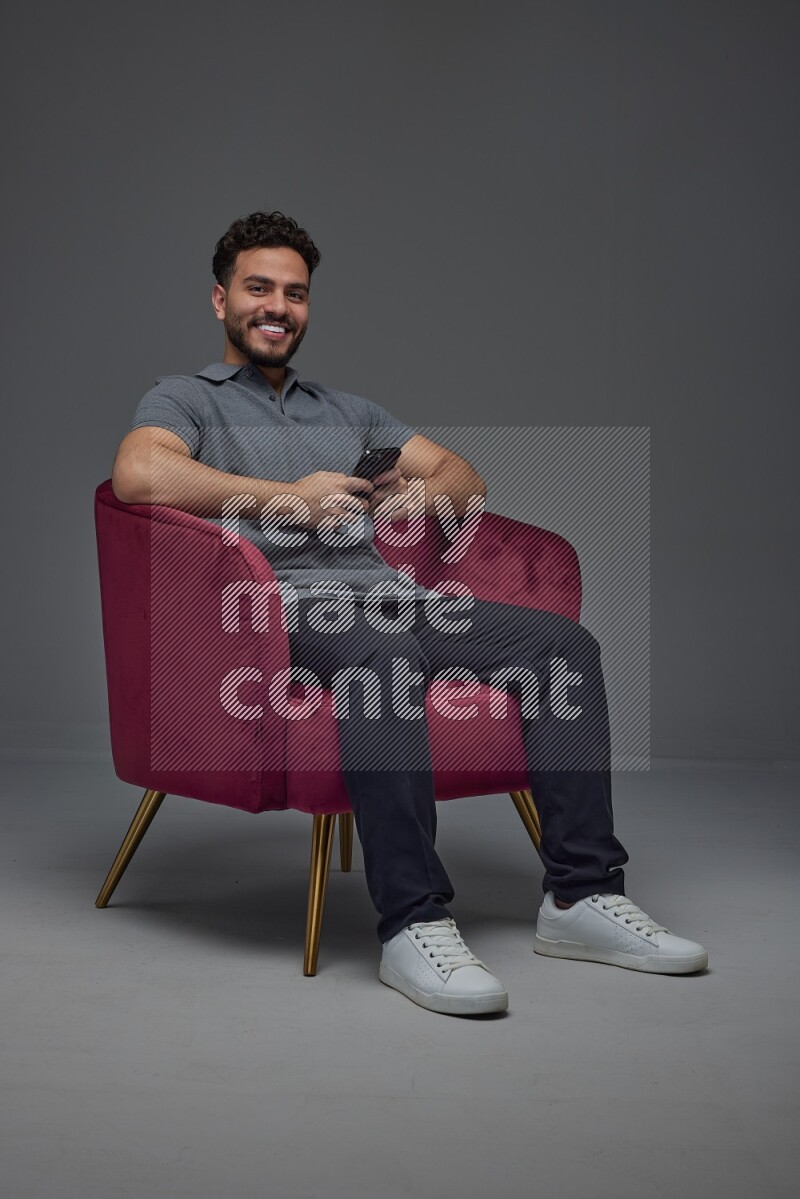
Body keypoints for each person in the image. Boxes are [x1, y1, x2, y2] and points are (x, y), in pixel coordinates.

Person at [112, 210, 709, 1016]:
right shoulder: (186, 397)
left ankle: (581, 897)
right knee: (382, 661)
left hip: (399, 602)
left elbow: (466, 477)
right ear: (221, 301)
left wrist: (414, 497)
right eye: (259, 288)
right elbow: (139, 476)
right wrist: (288, 499)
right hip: (280, 609)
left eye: (295, 292)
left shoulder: (349, 407)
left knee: (564, 648)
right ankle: (413, 921)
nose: (278, 306)